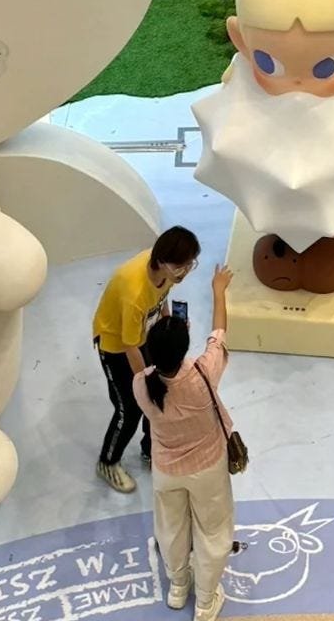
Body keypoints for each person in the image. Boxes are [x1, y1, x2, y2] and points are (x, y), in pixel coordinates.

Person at [136, 265, 237, 620]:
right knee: (213, 529)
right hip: (207, 467)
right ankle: (207, 601)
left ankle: (179, 586)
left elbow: (156, 369)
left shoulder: (142, 384)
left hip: (166, 469)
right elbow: (220, 334)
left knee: (172, 527)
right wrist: (219, 290)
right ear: (184, 347)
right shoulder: (202, 373)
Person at [93, 225, 201, 492]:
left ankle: (149, 448)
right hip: (116, 344)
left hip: (143, 333)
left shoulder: (163, 274)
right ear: (162, 262)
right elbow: (131, 346)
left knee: (157, 396)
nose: (184, 273)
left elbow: (161, 297)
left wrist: (167, 324)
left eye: (189, 265)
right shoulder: (133, 292)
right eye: (180, 268)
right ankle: (108, 461)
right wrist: (146, 380)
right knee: (129, 407)